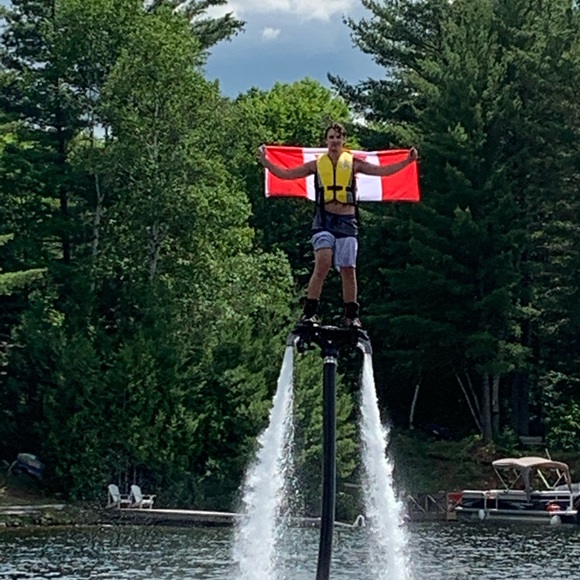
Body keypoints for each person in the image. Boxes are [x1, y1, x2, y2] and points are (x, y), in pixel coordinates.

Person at [258, 122, 418, 328]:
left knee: (348, 268)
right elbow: (286, 174)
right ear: (326, 141)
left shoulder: (354, 163)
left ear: (344, 140)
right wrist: (266, 162)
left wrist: (407, 161)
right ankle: (309, 313)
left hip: (346, 222)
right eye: (331, 137)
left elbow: (383, 171)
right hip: (324, 221)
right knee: (323, 262)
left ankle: (351, 315)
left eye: (338, 137)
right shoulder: (317, 164)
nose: (334, 141)